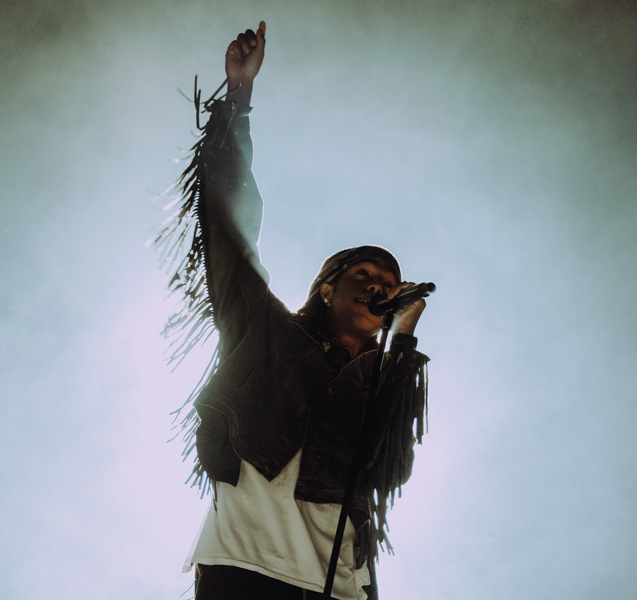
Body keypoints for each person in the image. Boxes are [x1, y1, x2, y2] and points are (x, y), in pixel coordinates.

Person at [153, 21, 430, 600]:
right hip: (242, 570)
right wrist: (238, 98)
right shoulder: (267, 333)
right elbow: (228, 228)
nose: (378, 286)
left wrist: (402, 343)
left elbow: (390, 470)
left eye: (388, 283)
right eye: (364, 275)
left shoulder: (379, 380)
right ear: (327, 289)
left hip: (340, 587)